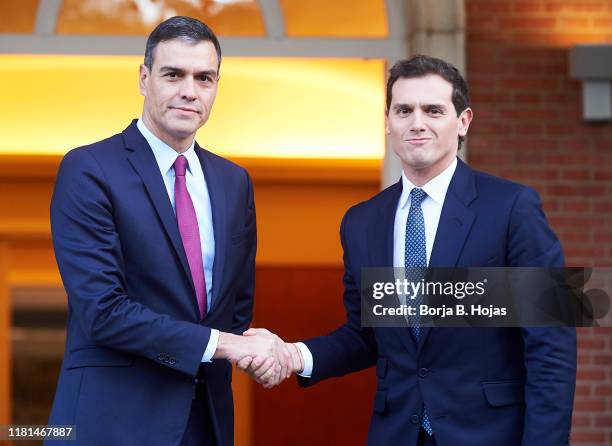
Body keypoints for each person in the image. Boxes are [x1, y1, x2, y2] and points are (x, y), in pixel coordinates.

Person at [240, 55, 577, 446]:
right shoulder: (362, 222)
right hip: (397, 433)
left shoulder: (513, 208)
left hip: (490, 435)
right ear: (388, 121)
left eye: (433, 110)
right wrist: (294, 354)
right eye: (404, 110)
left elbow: (551, 348)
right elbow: (366, 334)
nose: (417, 123)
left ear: (463, 121)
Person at [48, 16, 290, 446]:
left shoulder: (234, 182)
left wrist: (255, 348)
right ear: (144, 78)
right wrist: (229, 346)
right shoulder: (90, 169)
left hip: (206, 423)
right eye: (173, 74)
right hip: (111, 424)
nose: (189, 91)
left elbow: (235, 311)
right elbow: (102, 310)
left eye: (205, 78)